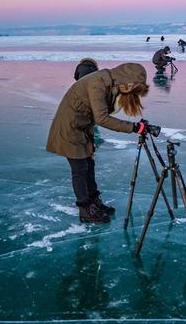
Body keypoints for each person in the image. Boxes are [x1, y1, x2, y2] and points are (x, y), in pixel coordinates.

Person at [46, 63, 151, 224]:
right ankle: (85, 209)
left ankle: (94, 202)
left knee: (89, 165)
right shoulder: (98, 83)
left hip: (82, 127)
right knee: (80, 169)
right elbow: (101, 118)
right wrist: (134, 127)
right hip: (69, 127)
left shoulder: (109, 82)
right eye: (132, 86)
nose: (130, 89)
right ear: (126, 79)